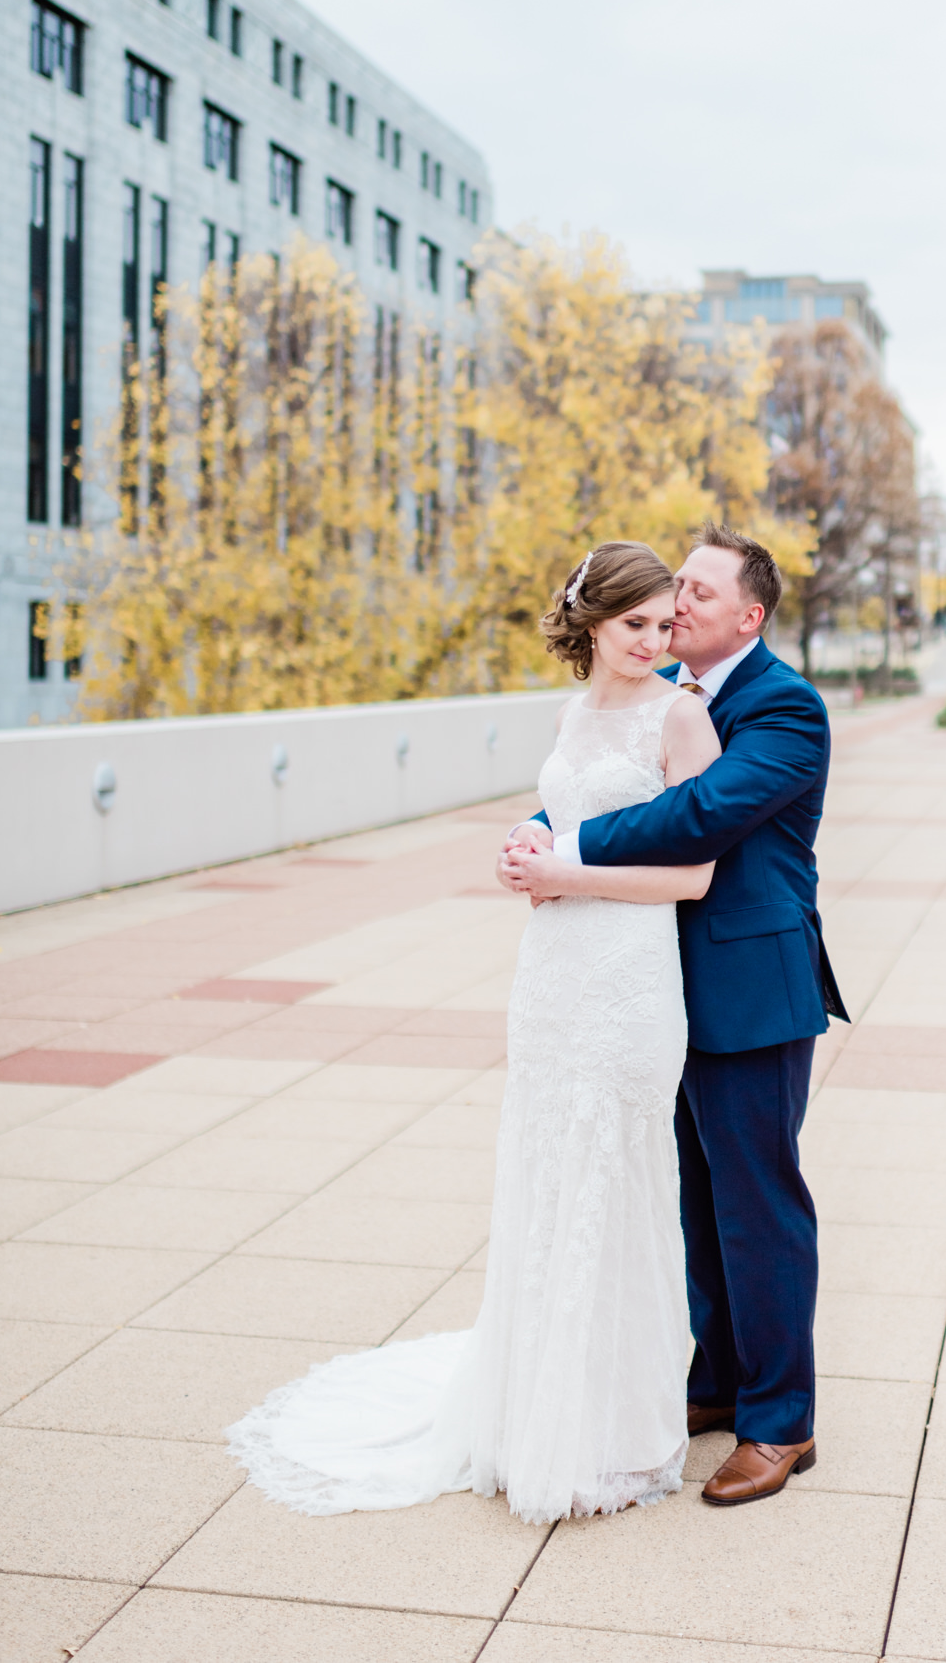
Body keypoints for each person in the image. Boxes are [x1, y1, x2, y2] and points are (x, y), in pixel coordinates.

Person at [227, 541, 720, 1524]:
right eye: (636, 625)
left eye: (666, 624)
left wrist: (563, 874)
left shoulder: (683, 716)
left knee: (614, 1178)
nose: (657, 642)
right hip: (553, 975)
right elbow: (565, 814)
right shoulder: (572, 713)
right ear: (589, 622)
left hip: (627, 975)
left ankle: (609, 1431)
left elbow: (691, 876)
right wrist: (526, 843)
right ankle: (529, 1410)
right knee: (543, 1166)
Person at [503, 522, 846, 1509]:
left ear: (749, 613)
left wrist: (563, 847)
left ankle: (781, 1423)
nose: (678, 604)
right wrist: (543, 826)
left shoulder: (784, 707)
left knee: (757, 1203)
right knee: (694, 1196)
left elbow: (698, 819)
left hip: (746, 985)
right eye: (670, 592)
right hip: (648, 980)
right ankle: (717, 1381)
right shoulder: (667, 694)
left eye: (697, 592)